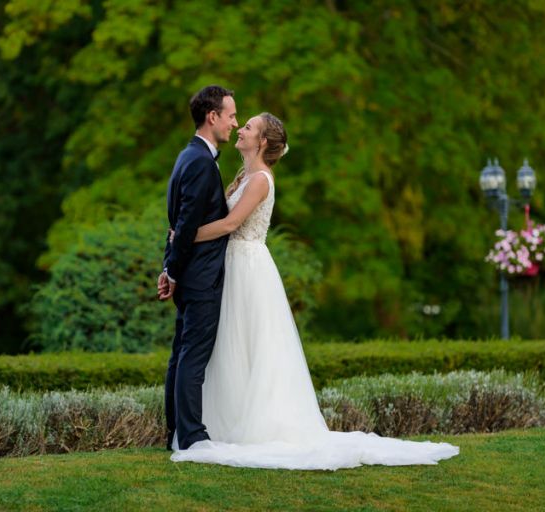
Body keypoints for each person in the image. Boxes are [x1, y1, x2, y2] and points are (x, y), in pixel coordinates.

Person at [167, 112, 460, 470]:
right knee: (231, 348)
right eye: (240, 123)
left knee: (252, 345)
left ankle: (256, 427)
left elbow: (230, 223)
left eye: (248, 127)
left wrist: (183, 236)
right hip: (232, 266)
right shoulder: (243, 175)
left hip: (249, 268)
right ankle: (226, 421)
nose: (240, 128)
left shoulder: (260, 179)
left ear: (261, 142)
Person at [157, 85, 238, 451]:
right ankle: (190, 436)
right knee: (193, 357)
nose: (235, 123)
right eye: (231, 115)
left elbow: (174, 224)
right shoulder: (202, 163)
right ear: (213, 116)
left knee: (181, 354)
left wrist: (169, 269)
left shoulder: (185, 156)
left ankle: (175, 431)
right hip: (201, 277)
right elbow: (186, 223)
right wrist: (172, 270)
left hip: (186, 274)